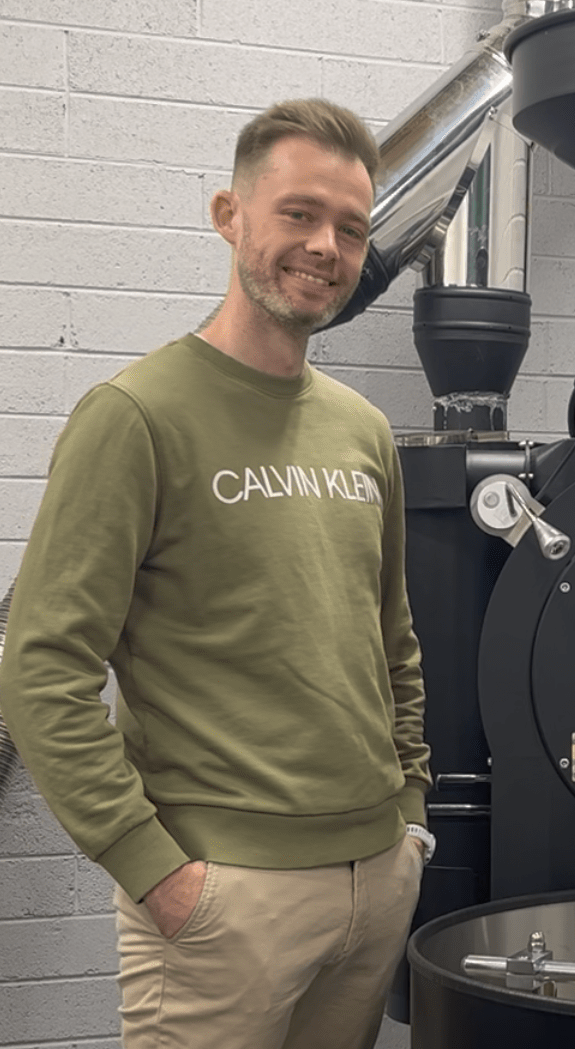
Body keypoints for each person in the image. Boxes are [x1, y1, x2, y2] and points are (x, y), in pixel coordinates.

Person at [0, 99, 433, 1049]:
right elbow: (40, 669)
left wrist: (409, 818)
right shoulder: (137, 416)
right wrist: (156, 870)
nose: (325, 245)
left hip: (374, 881)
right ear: (229, 215)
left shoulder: (362, 431)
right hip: (223, 898)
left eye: (351, 229)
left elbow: (390, 641)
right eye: (299, 213)